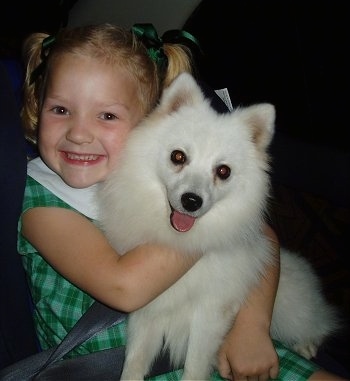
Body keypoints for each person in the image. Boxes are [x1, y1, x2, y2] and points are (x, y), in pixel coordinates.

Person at [18, 23, 342, 380]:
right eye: (61, 110)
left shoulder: (140, 171)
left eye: (107, 115)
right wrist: (216, 230)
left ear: (144, 124)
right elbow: (125, 288)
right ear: (36, 106)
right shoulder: (39, 198)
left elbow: (262, 238)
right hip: (99, 366)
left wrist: (252, 326)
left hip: (216, 342)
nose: (79, 134)